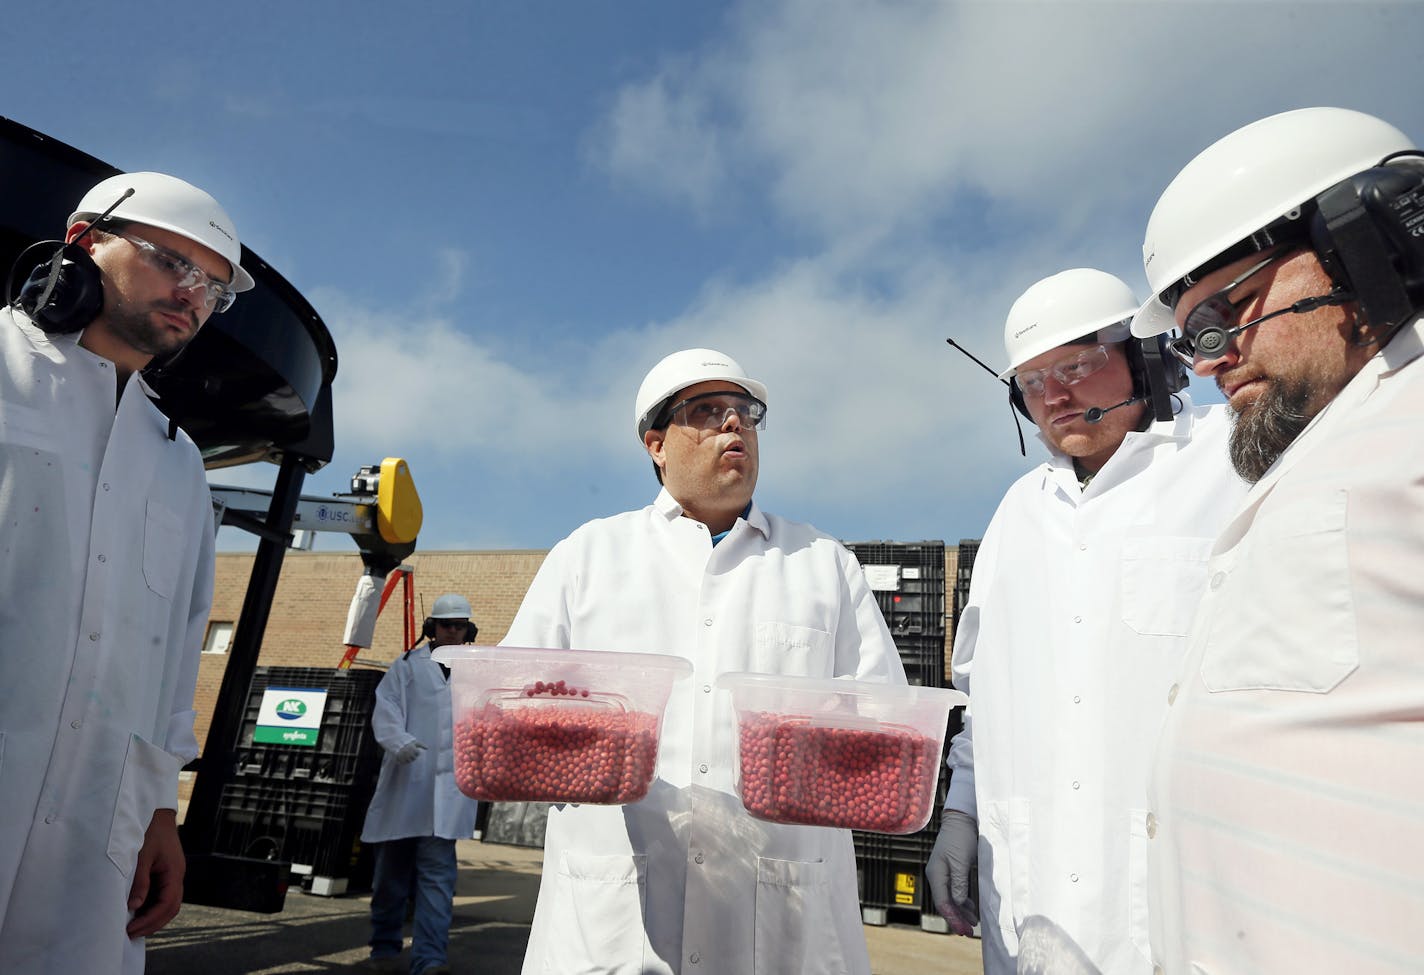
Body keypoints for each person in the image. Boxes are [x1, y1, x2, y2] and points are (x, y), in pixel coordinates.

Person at [1130, 106, 1424, 974]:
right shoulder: (1340, 442)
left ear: (1370, 239)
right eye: (1192, 336)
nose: (1212, 357)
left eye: (1228, 309)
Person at [501, 348, 907, 975]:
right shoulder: (589, 554)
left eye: (745, 412)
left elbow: (885, 723)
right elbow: (513, 712)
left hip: (779, 909)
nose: (734, 424)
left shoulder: (822, 562)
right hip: (617, 906)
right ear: (656, 444)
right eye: (708, 410)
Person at [926, 269, 1247, 973]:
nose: (1055, 395)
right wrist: (961, 813)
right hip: (1031, 898)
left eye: (1075, 365)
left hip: (1182, 897)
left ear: (1146, 354)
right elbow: (986, 697)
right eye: (1033, 382)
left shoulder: (1230, 458)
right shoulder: (1017, 515)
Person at [0, 171, 253, 973]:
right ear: (83, 242)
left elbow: (177, 649)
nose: (192, 295)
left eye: (213, 287)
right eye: (169, 261)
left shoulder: (176, 460)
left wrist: (158, 810)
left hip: (97, 816)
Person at [359, 593, 481, 975]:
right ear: (432, 627)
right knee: (390, 881)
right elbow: (387, 707)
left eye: (459, 626)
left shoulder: (476, 671)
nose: (453, 631)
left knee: (438, 882)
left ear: (468, 630)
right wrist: (399, 742)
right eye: (446, 625)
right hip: (406, 783)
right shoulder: (407, 666)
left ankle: (430, 960)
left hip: (449, 793)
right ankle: (383, 947)